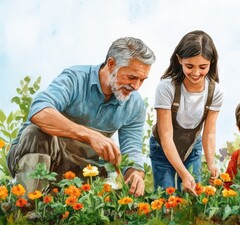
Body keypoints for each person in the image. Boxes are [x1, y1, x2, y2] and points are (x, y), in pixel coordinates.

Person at [7, 37, 156, 197]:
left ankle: (60, 203)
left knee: (111, 171)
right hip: (42, 156)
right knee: (36, 131)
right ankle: (25, 203)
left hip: (83, 169)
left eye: (142, 80)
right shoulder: (75, 78)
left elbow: (131, 150)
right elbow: (39, 111)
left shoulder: (134, 104)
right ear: (111, 64)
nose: (136, 86)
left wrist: (135, 175)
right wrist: (89, 135)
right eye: (132, 77)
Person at [150, 30, 223, 194]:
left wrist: (211, 164)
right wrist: (183, 173)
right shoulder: (166, 88)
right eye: (189, 66)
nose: (196, 73)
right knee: (166, 199)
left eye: (203, 67)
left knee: (193, 197)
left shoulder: (215, 92)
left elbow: (209, 133)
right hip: (163, 147)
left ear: (211, 63)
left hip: (192, 148)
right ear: (179, 60)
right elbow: (166, 136)